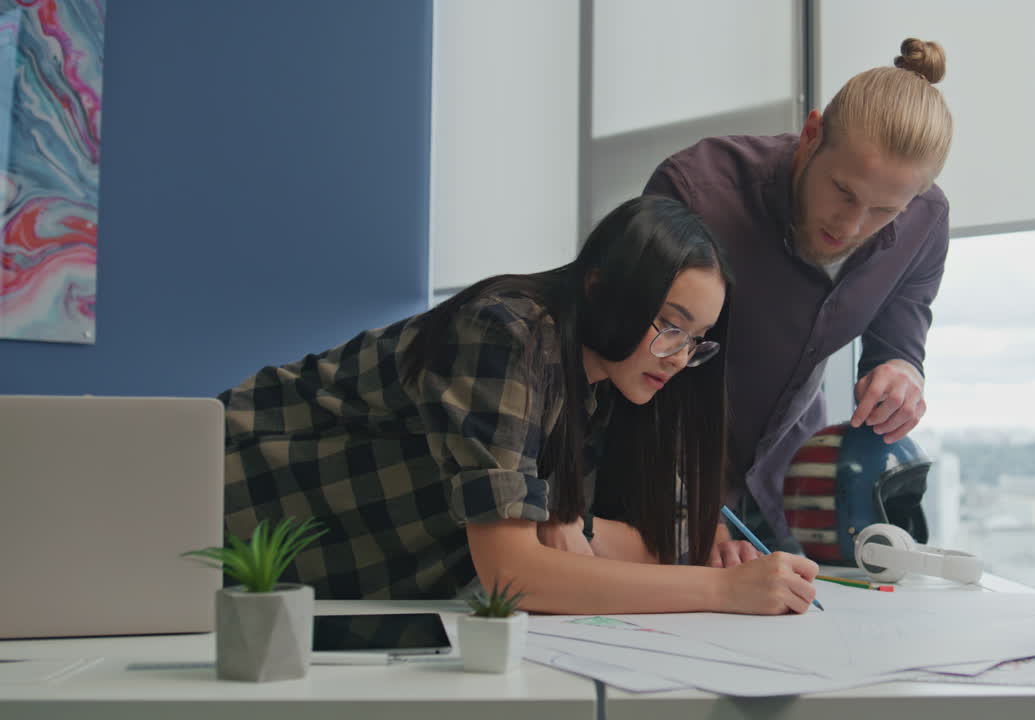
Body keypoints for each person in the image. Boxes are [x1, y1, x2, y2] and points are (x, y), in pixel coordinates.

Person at [220, 196, 819, 614]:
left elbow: (667, 540)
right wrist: (724, 592)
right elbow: (513, 574)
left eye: (695, 340)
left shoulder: (620, 382)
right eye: (669, 325)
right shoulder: (506, 333)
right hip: (220, 508)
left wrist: (579, 525)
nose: (678, 358)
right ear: (599, 288)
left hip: (338, 594)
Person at [643, 38, 954, 560]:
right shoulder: (696, 192)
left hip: (790, 491)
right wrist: (688, 512)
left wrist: (902, 374)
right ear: (811, 135)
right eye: (843, 191)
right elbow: (635, 363)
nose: (851, 226)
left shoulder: (926, 223)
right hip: (666, 483)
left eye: (884, 212)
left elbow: (899, 344)